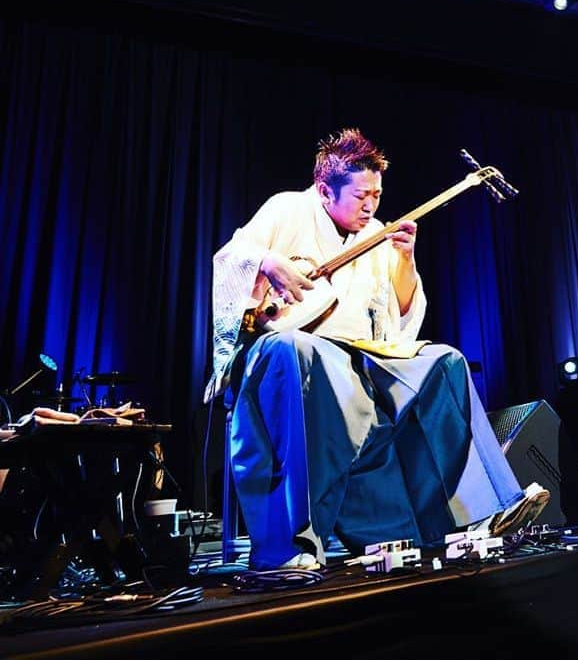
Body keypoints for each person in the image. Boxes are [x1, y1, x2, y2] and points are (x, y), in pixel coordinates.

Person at [205, 128, 548, 571]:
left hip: (364, 355)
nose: (371, 205)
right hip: (302, 352)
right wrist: (268, 263)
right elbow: (231, 257)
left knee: (444, 362)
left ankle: (485, 513)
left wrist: (405, 260)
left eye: (378, 195)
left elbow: (403, 314)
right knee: (295, 348)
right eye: (361, 195)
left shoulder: (379, 235)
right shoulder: (287, 208)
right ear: (326, 190)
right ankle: (292, 543)